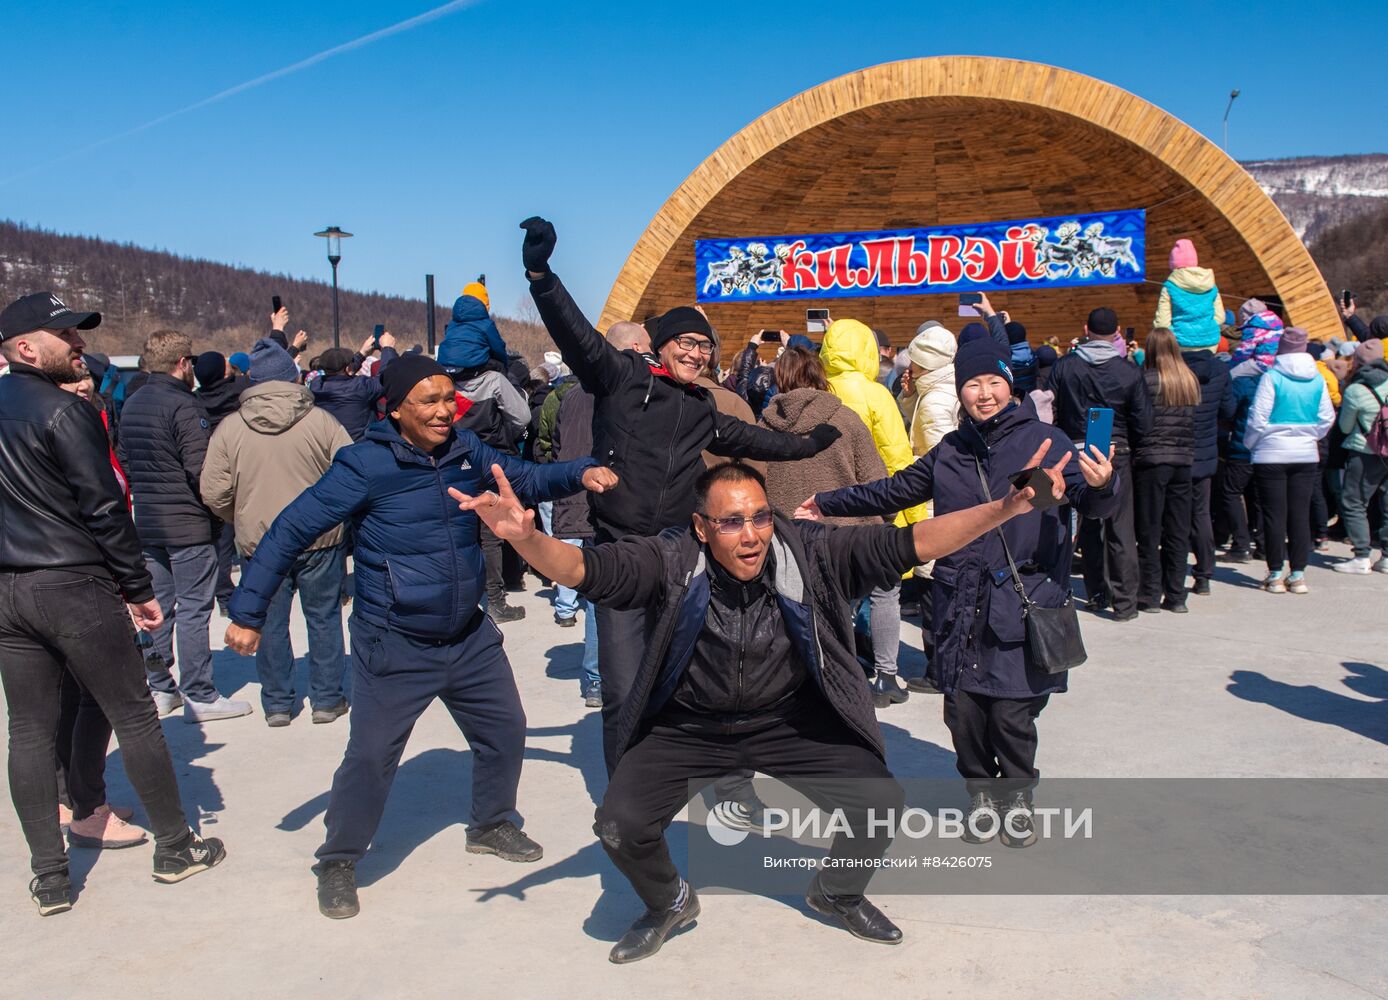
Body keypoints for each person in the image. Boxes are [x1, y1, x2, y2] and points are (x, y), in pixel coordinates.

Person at [454, 458, 1059, 963]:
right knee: (619, 824)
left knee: (880, 804)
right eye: (732, 522)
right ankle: (669, 902)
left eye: (761, 517)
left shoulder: (812, 552)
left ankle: (837, 894)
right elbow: (589, 570)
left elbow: (912, 541)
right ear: (700, 527)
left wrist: (1005, 510)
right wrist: (526, 539)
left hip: (788, 720)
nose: (751, 535)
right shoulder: (668, 560)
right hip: (689, 726)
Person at [222, 354, 616, 919]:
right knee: (372, 756)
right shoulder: (364, 465)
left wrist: (579, 471)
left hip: (466, 633)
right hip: (395, 641)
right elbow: (291, 529)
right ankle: (337, 858)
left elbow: (524, 475)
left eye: (447, 399)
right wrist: (249, 610)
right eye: (428, 401)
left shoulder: (464, 450)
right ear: (397, 407)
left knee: (505, 729)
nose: (443, 411)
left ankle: (491, 823)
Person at [519, 216, 841, 776]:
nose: (695, 353)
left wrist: (814, 440)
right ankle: (627, 787)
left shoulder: (702, 412)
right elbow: (574, 333)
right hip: (618, 552)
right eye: (685, 342)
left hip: (676, 557)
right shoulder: (618, 378)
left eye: (704, 346)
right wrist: (541, 274)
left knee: (693, 678)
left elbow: (760, 440)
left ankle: (701, 773)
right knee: (622, 686)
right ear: (662, 344)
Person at [800, 336, 1116, 850]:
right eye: (973, 384)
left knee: (1012, 714)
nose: (984, 393)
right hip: (957, 602)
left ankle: (1016, 797)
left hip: (1021, 599)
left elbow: (1088, 502)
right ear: (959, 390)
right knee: (963, 714)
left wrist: (1102, 487)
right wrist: (827, 501)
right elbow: (894, 489)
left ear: (1009, 386)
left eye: (993, 381)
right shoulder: (951, 450)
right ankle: (980, 795)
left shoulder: (1046, 441)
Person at [0, 292, 226, 916]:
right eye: (64, 335)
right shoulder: (61, 413)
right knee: (133, 714)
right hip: (71, 585)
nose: (78, 345)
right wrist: (137, 588)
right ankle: (176, 847)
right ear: (24, 347)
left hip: (9, 591)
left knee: (29, 729)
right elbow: (103, 510)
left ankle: (49, 877)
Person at [200, 337, 354, 726]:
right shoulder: (322, 421)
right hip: (321, 538)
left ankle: (279, 704)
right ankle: (327, 699)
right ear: (292, 376)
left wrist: (240, 516)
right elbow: (353, 474)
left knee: (267, 623)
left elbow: (213, 490)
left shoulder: (230, 428)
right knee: (323, 619)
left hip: (260, 541)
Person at [119, 329, 252, 722]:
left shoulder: (133, 403)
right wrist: (223, 511)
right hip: (188, 524)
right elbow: (201, 471)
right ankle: (200, 694)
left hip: (149, 521)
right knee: (195, 607)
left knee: (158, 609)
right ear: (182, 364)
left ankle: (160, 688)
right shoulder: (183, 407)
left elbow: (126, 460)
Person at [820, 317, 927, 706]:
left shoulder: (818, 390)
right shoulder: (877, 394)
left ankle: (839, 672)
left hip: (826, 511)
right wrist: (916, 519)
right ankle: (886, 676)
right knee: (885, 592)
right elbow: (899, 460)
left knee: (835, 594)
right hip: (875, 508)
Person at [1048, 307, 1151, 621]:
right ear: (1117, 331)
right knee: (1121, 527)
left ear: (1085, 329)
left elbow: (1049, 408)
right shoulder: (1129, 371)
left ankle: (1096, 592)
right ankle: (1125, 602)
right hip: (1114, 453)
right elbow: (1144, 421)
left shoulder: (1064, 366)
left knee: (1088, 525)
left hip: (1074, 453)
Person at [443, 336, 535, 623]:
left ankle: (457, 600)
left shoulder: (444, 384)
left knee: (456, 531)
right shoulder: (494, 380)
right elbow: (522, 417)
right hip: (492, 460)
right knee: (491, 536)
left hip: (453, 459)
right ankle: (495, 600)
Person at [1244, 327, 1334, 594]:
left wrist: (1254, 443)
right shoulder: (1317, 378)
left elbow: (1257, 417)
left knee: (1273, 515)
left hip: (1271, 452)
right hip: (1305, 453)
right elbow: (1327, 417)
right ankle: (1298, 574)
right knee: (1299, 513)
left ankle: (1274, 573)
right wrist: (1308, 435)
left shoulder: (1272, 377)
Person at [1133, 329, 1200, 613]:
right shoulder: (1188, 380)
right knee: (1178, 530)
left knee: (1149, 531)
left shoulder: (1145, 381)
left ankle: (1149, 594)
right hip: (1183, 461)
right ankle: (1176, 594)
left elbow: (1138, 421)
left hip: (1151, 460)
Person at [1221, 301, 1285, 561]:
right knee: (1260, 496)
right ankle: (1263, 545)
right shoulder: (1280, 373)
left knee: (1230, 492)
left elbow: (1230, 410)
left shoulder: (1242, 375)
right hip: (1272, 448)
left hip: (1242, 445)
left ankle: (1241, 544)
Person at [1179, 318, 1234, 596]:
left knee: (1174, 516)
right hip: (1205, 450)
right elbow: (1228, 409)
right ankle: (1203, 575)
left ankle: (1173, 579)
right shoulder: (1221, 370)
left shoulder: (1171, 367)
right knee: (1201, 514)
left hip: (1175, 450)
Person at [194, 350, 251, 613]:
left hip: (216, 470)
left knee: (222, 541)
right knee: (252, 535)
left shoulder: (195, 400)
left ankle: (225, 595)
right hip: (244, 467)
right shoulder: (240, 391)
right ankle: (254, 588)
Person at [1331, 339, 1388, 574]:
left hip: (1365, 451)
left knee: (1353, 502)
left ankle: (1361, 555)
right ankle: (1386, 557)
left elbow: (1345, 426)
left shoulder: (1356, 389)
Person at [308, 334, 400, 441]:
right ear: (348, 368)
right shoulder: (360, 387)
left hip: (330, 444)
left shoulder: (316, 385)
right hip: (358, 446)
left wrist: (362, 354)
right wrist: (388, 349)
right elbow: (385, 378)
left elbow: (342, 372)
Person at [896, 321, 959, 456]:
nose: (910, 365)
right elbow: (926, 426)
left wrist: (909, 465)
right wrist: (911, 396)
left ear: (922, 362)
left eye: (913, 360)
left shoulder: (934, 402)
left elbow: (942, 460)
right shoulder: (946, 385)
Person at [1153, 238, 1224, 349]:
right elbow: (1220, 318)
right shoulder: (1211, 285)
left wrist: (1175, 335)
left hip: (1181, 344)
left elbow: (1162, 323)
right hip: (1210, 343)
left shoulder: (1169, 286)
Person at [438, 282, 509, 371]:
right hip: (469, 368)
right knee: (500, 366)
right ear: (485, 305)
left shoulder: (452, 324)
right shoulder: (486, 324)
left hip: (445, 365)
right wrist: (506, 366)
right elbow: (499, 350)